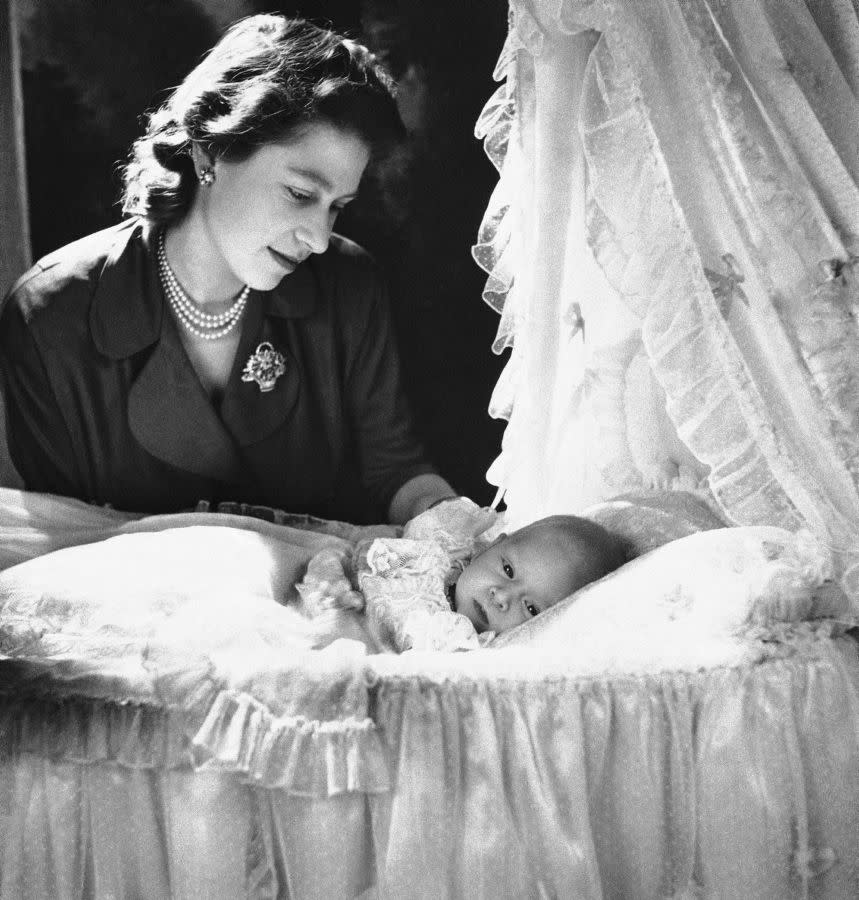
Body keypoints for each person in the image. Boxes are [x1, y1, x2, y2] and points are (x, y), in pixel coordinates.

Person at [0, 14, 455, 524]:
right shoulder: (48, 318)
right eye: (301, 194)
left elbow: (394, 469)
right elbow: (69, 539)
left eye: (336, 206)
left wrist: (445, 517)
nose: (320, 238)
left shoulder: (351, 287)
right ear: (209, 151)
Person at [452, 514, 630, 634]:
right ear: (488, 547)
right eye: (508, 570)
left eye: (531, 609)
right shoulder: (444, 553)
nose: (502, 597)